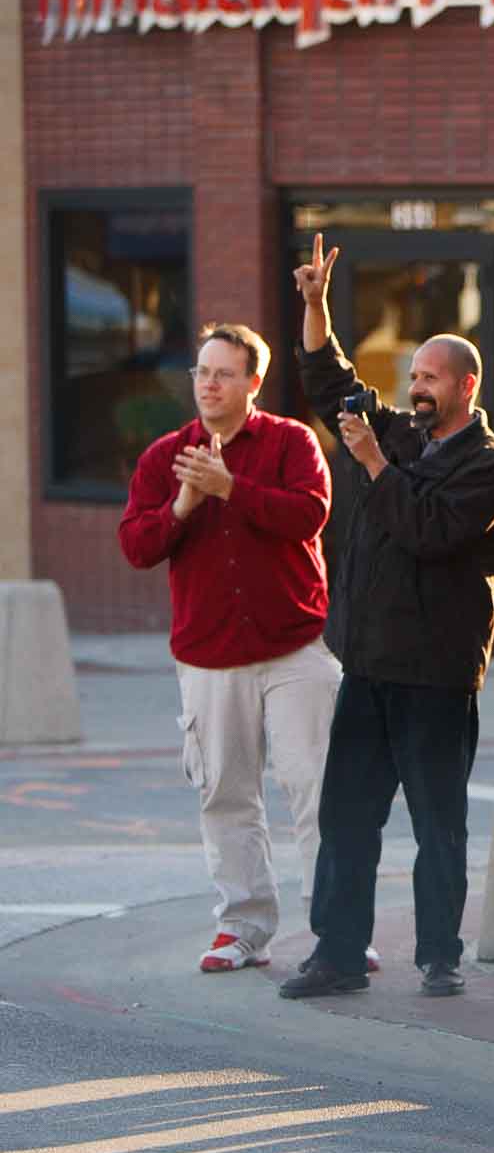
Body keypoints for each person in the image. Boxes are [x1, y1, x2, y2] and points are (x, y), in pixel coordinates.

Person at [279, 236, 494, 1000]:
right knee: (347, 822)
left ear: (467, 385)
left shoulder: (490, 464)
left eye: (430, 378)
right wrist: (316, 306)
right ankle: (338, 954)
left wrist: (375, 465)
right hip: (369, 666)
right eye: (411, 376)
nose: (415, 388)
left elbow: (430, 532)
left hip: (437, 676)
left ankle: (439, 957)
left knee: (437, 828)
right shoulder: (396, 431)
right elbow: (327, 379)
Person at [117, 322, 342, 974]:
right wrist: (185, 505)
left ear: (252, 382)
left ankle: (339, 926)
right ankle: (243, 927)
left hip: (294, 646)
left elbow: (310, 514)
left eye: (222, 373)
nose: (208, 384)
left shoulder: (291, 442)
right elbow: (136, 546)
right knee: (226, 793)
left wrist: (232, 490)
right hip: (208, 655)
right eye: (201, 373)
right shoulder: (166, 457)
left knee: (315, 786)